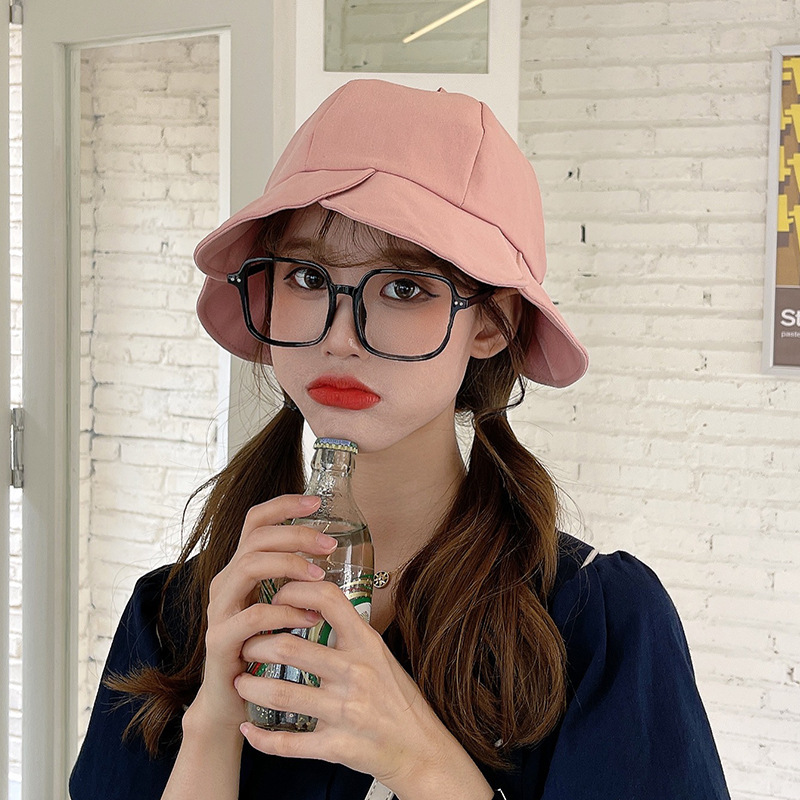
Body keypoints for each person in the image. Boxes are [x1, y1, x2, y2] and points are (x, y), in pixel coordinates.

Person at [69, 79, 730, 800]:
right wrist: (212, 724)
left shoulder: (594, 625)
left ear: (492, 322)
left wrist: (420, 760)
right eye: (308, 276)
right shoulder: (174, 615)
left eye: (405, 287)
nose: (340, 335)